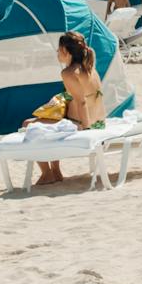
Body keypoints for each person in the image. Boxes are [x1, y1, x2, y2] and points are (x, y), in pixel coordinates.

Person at [34, 32, 103, 185]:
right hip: (99, 121)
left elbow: (81, 101)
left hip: (82, 123)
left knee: (30, 126)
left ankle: (47, 173)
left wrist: (87, 131)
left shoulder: (68, 73)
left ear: (65, 50)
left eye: (58, 50)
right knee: (44, 123)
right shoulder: (90, 68)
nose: (57, 53)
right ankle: (55, 172)